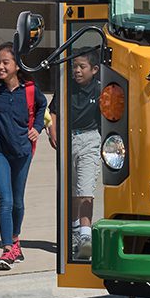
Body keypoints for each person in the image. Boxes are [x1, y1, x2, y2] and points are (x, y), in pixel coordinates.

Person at [0, 43, 46, 270]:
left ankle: (15, 241)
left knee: (18, 201)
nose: (0, 66)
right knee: (6, 199)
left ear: (17, 66)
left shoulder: (31, 90)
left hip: (23, 151)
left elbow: (43, 106)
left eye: (5, 62)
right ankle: (6, 250)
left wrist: (38, 128)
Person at [49, 50, 102, 260]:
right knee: (71, 192)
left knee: (85, 191)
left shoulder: (100, 89)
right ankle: (73, 235)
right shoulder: (66, 87)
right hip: (67, 140)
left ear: (94, 70)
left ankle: (85, 238)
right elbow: (53, 111)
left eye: (82, 67)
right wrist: (53, 131)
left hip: (90, 140)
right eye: (74, 67)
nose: (77, 71)